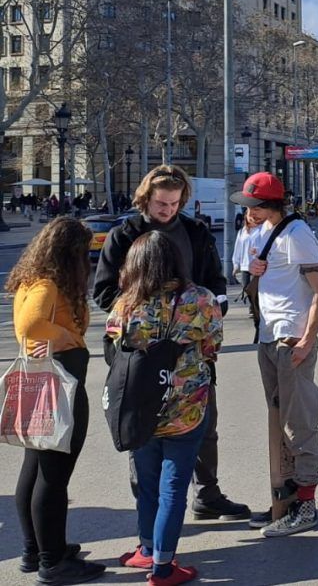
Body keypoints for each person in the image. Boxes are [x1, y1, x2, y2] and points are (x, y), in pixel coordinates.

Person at [92, 165, 247, 522]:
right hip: (140, 353)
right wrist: (147, 310)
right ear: (145, 198)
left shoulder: (195, 231)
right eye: (162, 203)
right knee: (140, 426)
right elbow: (103, 292)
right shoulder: (124, 235)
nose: (168, 211)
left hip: (189, 347)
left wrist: (215, 304)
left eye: (175, 204)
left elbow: (215, 280)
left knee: (204, 423)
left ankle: (207, 492)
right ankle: (148, 505)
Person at [105, 232, 222, 585]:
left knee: (147, 484)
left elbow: (113, 349)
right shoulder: (200, 299)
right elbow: (212, 345)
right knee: (174, 488)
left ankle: (146, 549)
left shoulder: (125, 304)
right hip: (186, 408)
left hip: (141, 409)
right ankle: (164, 567)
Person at [9, 218, 107, 585]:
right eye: (83, 254)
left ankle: (36, 550)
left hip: (43, 380)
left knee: (34, 468)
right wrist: (68, 336)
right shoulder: (48, 283)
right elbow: (32, 326)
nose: (87, 261)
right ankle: (52, 562)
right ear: (70, 254)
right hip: (60, 383)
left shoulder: (33, 278)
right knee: (53, 475)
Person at [232, 172, 318, 537]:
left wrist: (306, 339)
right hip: (269, 337)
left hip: (291, 339)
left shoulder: (297, 233)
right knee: (281, 424)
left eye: (252, 205)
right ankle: (285, 501)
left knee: (299, 423)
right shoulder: (266, 232)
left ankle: (306, 505)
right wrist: (254, 273)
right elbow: (264, 286)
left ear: (267, 204)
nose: (248, 212)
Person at [232, 208, 265, 305]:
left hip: (256, 265)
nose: (251, 218)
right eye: (249, 216)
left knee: (255, 289)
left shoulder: (262, 229)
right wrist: (236, 264)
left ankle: (255, 308)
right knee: (247, 288)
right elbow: (237, 249)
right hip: (245, 265)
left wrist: (257, 251)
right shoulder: (242, 231)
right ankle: (253, 306)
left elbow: (266, 246)